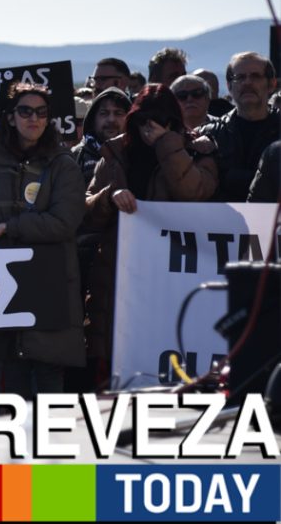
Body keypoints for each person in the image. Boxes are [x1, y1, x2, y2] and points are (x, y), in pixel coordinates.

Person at [84, 85, 217, 381]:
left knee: (170, 360)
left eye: (160, 121)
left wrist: (167, 144)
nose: (149, 128)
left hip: (174, 278)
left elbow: (194, 193)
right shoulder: (116, 152)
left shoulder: (199, 150)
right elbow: (87, 211)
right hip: (119, 277)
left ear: (173, 122)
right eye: (143, 121)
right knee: (114, 366)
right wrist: (109, 196)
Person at [0, 83, 86, 397]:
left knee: (48, 378)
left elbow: (64, 222)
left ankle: (49, 447)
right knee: (13, 376)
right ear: (10, 117)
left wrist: (7, 227)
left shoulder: (63, 164)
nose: (34, 118)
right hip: (3, 283)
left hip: (49, 281)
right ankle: (20, 447)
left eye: (41, 112)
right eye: (25, 111)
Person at [200, 52, 280, 202]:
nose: (247, 82)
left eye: (255, 76)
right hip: (220, 224)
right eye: (240, 77)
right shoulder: (210, 134)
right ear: (229, 86)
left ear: (271, 84)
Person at [69, 87, 130, 186]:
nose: (111, 119)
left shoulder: (139, 153)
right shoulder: (75, 156)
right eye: (104, 113)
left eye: (118, 113)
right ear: (93, 119)